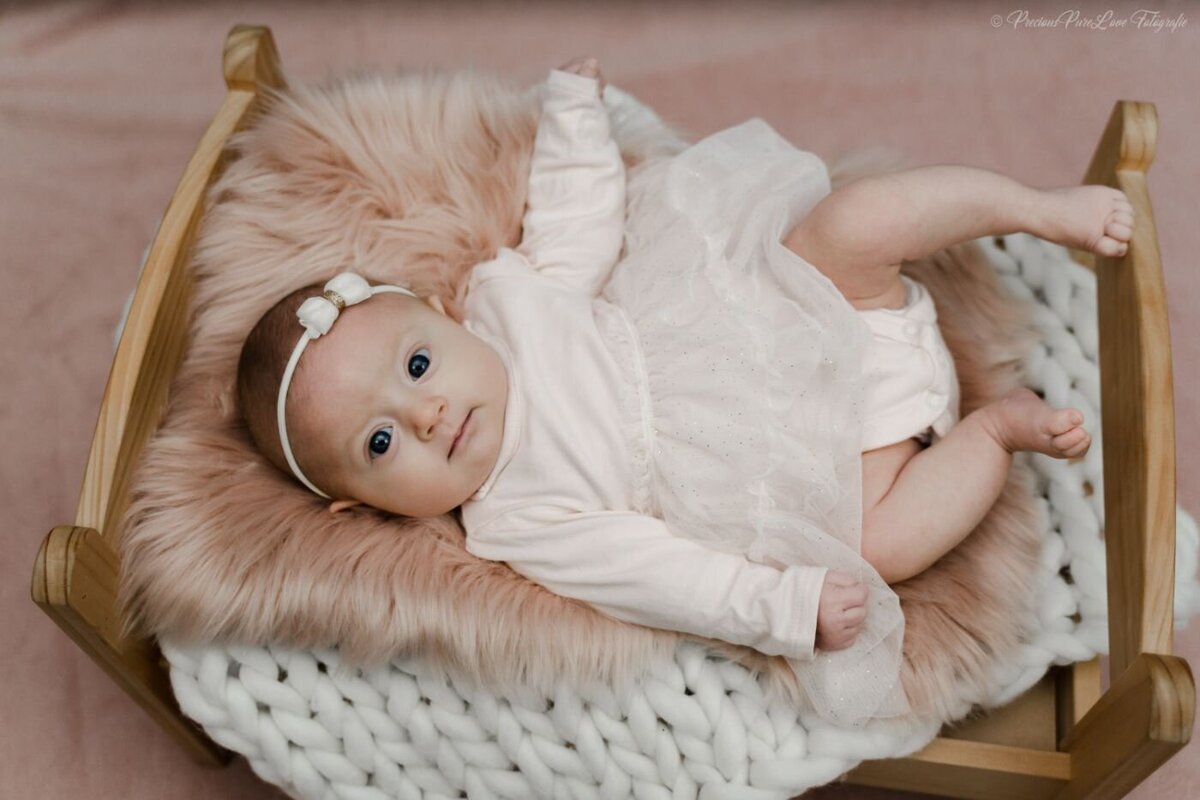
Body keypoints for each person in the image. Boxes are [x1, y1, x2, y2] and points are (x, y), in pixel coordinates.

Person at [236, 56, 1133, 726]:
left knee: (855, 219)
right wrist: (783, 610)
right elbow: (660, 578)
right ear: (363, 508)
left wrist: (575, 120)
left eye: (418, 365)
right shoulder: (519, 521)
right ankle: (993, 435)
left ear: (444, 314)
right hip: (829, 460)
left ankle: (1037, 208)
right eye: (382, 444)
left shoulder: (509, 301)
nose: (425, 414)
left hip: (802, 304)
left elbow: (576, 222)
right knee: (883, 544)